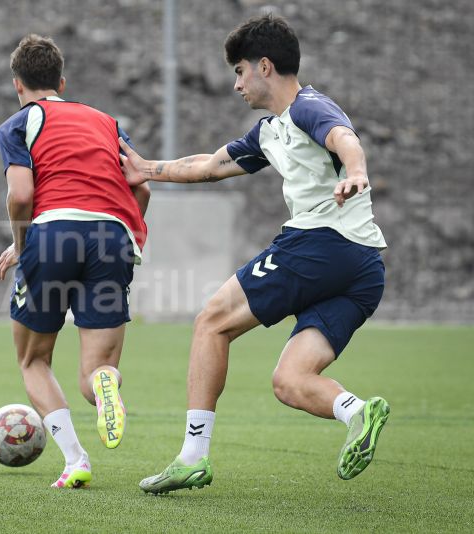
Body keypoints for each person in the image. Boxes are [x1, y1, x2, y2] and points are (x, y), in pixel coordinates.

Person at [120, 14, 389, 494]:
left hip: (321, 244)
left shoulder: (309, 107)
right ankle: (358, 412)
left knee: (212, 321)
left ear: (265, 66)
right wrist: (147, 169)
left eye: (240, 71)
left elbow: (344, 138)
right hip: (364, 268)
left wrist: (356, 171)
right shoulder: (270, 132)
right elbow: (208, 166)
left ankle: (192, 457)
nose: (237, 84)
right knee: (290, 380)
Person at [0, 34, 150, 489]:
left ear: (17, 83)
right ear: (61, 82)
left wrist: (23, 245)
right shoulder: (106, 122)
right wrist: (127, 236)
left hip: (53, 234)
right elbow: (141, 185)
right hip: (111, 237)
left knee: (33, 360)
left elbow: (21, 195)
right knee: (94, 373)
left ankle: (75, 459)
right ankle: (105, 386)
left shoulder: (18, 124)